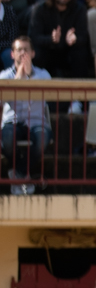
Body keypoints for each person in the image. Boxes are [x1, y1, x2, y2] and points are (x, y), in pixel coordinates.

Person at [1, 38, 52, 196]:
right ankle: (24, 176)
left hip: (37, 122)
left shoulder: (43, 74)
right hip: (12, 121)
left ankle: (18, 174)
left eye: (26, 49)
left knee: (42, 139)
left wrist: (30, 76)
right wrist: (18, 80)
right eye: (19, 49)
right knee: (7, 139)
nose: (22, 53)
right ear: (12, 54)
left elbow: (50, 94)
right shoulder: (3, 75)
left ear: (33, 53)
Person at [30, 0, 92, 80]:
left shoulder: (80, 9)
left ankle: (80, 93)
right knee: (37, 53)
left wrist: (74, 39)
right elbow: (34, 36)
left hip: (68, 51)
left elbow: (84, 36)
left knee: (80, 54)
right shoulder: (40, 9)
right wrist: (51, 39)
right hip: (48, 50)